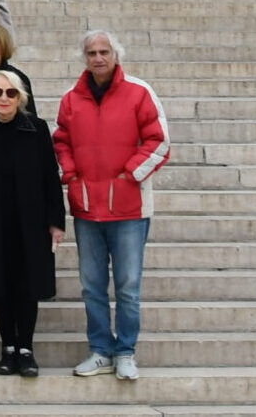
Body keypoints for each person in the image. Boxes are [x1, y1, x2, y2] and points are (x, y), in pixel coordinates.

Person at [54, 30, 170, 381]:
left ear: (116, 55)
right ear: (85, 58)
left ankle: (126, 351)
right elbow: (61, 141)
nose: (99, 58)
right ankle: (100, 349)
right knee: (91, 285)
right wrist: (71, 176)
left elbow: (159, 141)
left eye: (105, 51)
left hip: (130, 210)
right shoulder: (71, 99)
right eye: (92, 52)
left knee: (128, 286)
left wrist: (130, 175)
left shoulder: (139, 92)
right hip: (88, 209)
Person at [0, 70, 65, 378]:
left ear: (20, 97)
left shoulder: (37, 128)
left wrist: (55, 222)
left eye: (10, 93)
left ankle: (26, 348)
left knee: (27, 286)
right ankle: (8, 346)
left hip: (30, 222)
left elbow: (50, 177)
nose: (4, 98)